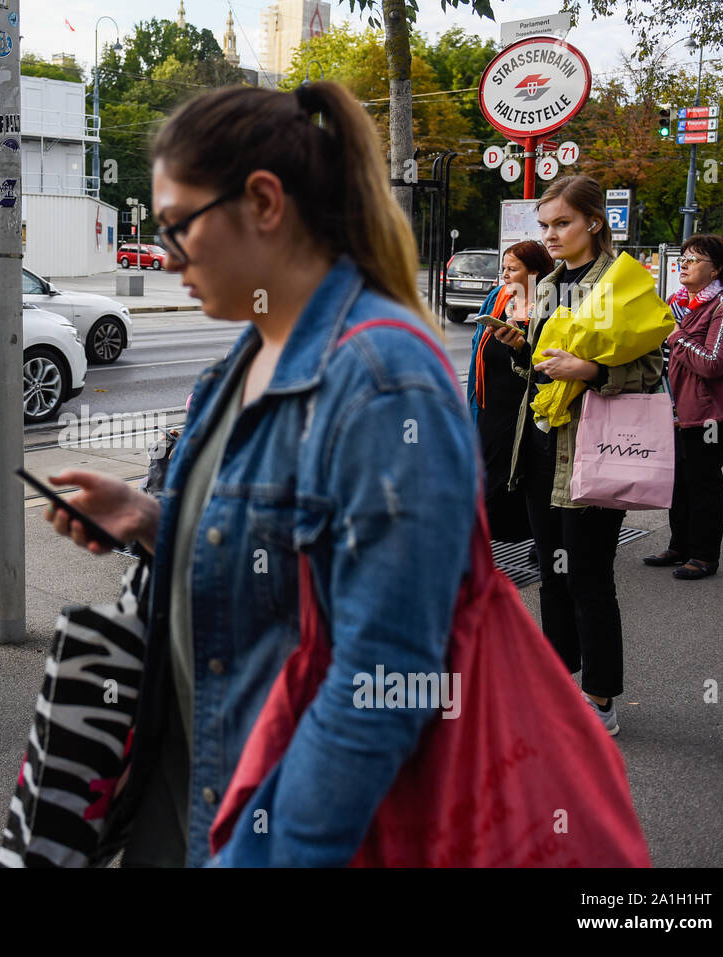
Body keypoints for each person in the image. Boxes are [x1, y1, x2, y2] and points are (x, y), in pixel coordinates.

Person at [42, 81, 479, 866]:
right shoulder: (245, 357)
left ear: (265, 202)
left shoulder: (381, 379)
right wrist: (149, 518)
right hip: (194, 796)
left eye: (178, 226)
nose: (165, 254)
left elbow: (388, 680)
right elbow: (274, 553)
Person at [492, 175, 663, 737]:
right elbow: (542, 371)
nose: (552, 234)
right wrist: (524, 350)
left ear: (593, 220)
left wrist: (590, 370)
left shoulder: (622, 280)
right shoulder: (552, 284)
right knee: (552, 572)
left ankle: (600, 699)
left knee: (589, 575)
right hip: (543, 444)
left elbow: (653, 369)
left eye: (561, 223)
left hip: (592, 446)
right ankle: (559, 681)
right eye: (545, 225)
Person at [643, 234, 723, 580]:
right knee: (678, 481)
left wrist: (675, 335)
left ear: (716, 268)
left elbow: (715, 363)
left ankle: (704, 556)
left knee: (703, 483)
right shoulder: (678, 302)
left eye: (694, 259)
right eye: (683, 257)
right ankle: (679, 545)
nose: (684, 264)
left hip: (708, 414)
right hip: (674, 408)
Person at [466, 240, 553, 543]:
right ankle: (493, 535)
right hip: (491, 401)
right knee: (489, 470)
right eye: (503, 267)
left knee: (521, 471)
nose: (504, 274)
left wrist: (518, 344)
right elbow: (478, 345)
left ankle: (527, 535)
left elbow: (544, 361)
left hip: (526, 404)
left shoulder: (550, 304)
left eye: (512, 268)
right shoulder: (497, 297)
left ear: (535, 272)